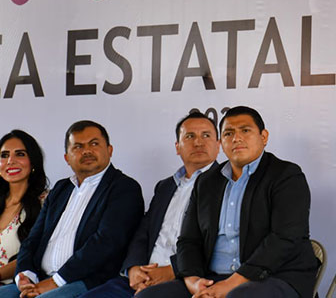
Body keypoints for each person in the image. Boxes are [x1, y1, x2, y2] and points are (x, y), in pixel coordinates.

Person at [138, 106, 319, 298]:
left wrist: (230, 285)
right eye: (228, 133)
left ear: (264, 137)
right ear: (221, 143)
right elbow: (188, 240)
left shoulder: (286, 175)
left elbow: (285, 238)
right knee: (147, 297)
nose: (236, 138)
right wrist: (194, 282)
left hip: (274, 277)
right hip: (212, 279)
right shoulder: (206, 182)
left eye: (245, 130)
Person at [80, 113, 220, 298]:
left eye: (206, 135)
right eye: (190, 136)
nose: (198, 142)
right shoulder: (165, 186)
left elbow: (217, 243)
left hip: (187, 277)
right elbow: (143, 233)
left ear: (218, 145)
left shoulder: (226, 184)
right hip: (143, 276)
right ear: (177, 147)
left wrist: (173, 270)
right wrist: (133, 268)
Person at [0, 121, 144, 298]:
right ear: (67, 158)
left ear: (109, 150)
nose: (86, 151)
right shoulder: (61, 189)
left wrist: (55, 282)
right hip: (39, 279)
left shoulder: (124, 188)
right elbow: (32, 240)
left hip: (85, 282)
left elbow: (106, 243)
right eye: (78, 147)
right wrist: (25, 276)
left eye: (94, 144)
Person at [0, 131, 48, 285]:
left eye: (20, 154)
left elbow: (35, 254)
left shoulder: (46, 202)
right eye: (4, 155)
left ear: (33, 162)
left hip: (15, 287)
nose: (10, 161)